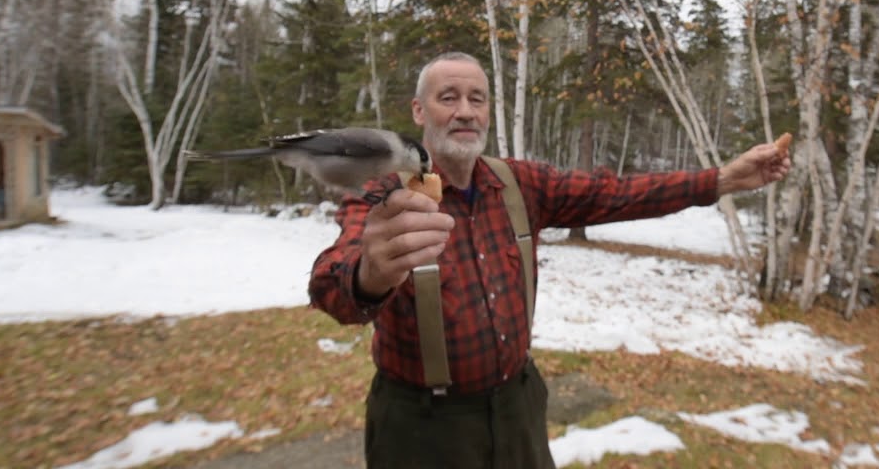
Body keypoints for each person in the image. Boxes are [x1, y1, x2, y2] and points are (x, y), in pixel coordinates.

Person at [308, 51, 791, 469]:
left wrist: (722, 179)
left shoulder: (520, 185)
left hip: (518, 407)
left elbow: (618, 194)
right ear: (419, 110)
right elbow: (330, 285)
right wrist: (369, 277)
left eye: (477, 98)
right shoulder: (386, 195)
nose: (465, 111)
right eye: (448, 97)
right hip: (422, 427)